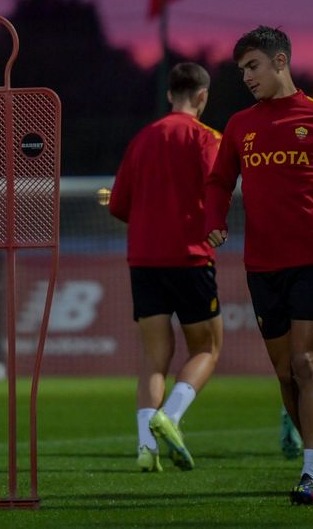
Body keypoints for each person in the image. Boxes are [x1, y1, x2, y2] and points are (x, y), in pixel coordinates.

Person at [205, 26, 313, 505]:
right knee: (285, 373)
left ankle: (312, 471)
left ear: (280, 61)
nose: (246, 77)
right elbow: (219, 182)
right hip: (261, 265)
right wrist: (213, 220)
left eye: (253, 66)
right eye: (242, 70)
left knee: (306, 363)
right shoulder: (240, 125)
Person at [109, 62, 224, 473]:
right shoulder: (206, 138)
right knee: (207, 348)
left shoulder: (142, 138)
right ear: (203, 96)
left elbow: (118, 204)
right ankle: (170, 416)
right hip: (189, 257)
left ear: (170, 94)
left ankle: (145, 447)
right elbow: (218, 189)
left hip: (144, 260)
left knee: (154, 357)